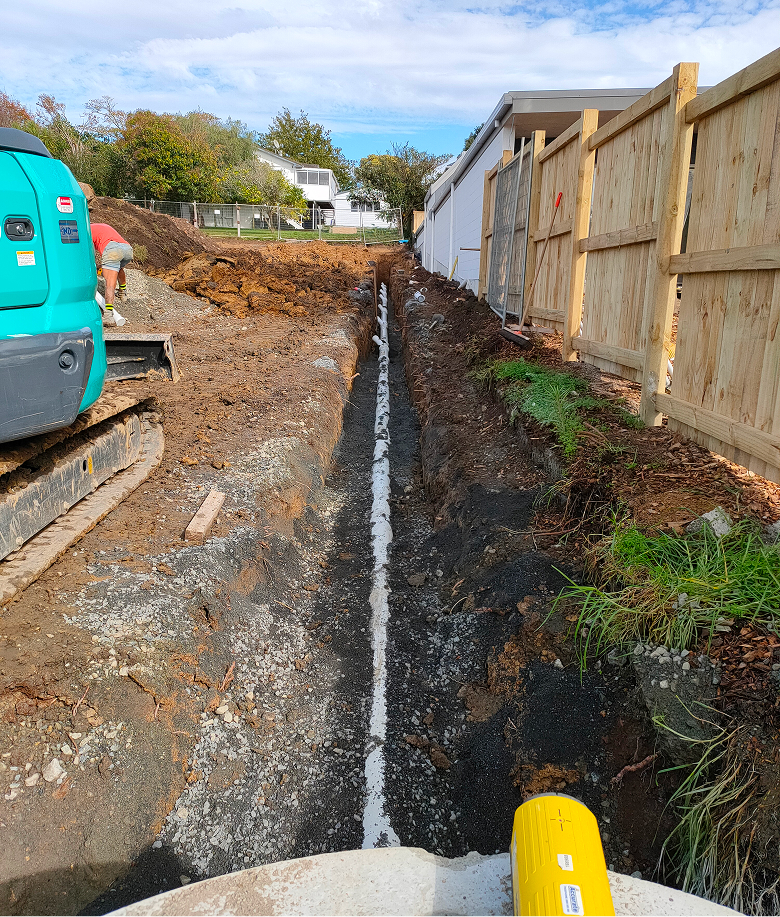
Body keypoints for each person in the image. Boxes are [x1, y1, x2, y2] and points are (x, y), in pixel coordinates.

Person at [90, 223, 133, 325]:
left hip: (112, 250)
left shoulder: (86, 230)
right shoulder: (102, 226)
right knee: (118, 268)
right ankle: (123, 292)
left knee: (109, 283)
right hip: (127, 249)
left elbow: (89, 252)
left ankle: (108, 315)